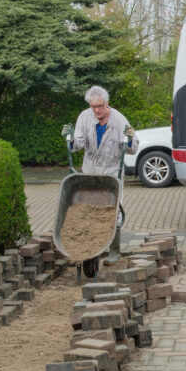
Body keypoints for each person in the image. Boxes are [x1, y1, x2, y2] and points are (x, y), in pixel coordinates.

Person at [61, 86, 138, 264]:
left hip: (112, 171)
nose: (97, 110)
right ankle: (89, 248)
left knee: (113, 210)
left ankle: (114, 251)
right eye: (94, 106)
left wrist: (130, 139)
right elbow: (78, 144)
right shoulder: (84, 117)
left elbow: (133, 148)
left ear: (107, 103)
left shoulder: (119, 120)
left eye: (100, 106)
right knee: (88, 209)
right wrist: (70, 139)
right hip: (91, 170)